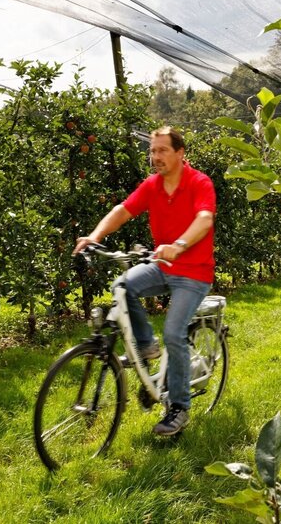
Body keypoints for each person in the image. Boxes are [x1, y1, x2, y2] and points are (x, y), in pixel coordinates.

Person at [73, 126, 216, 437]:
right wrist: (95, 236)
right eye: (152, 151)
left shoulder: (199, 182)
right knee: (123, 286)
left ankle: (179, 407)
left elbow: (204, 219)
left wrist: (179, 244)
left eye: (162, 150)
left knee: (174, 333)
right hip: (161, 265)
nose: (155, 157)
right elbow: (123, 210)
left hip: (193, 273)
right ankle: (146, 345)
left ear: (180, 152)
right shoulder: (153, 185)